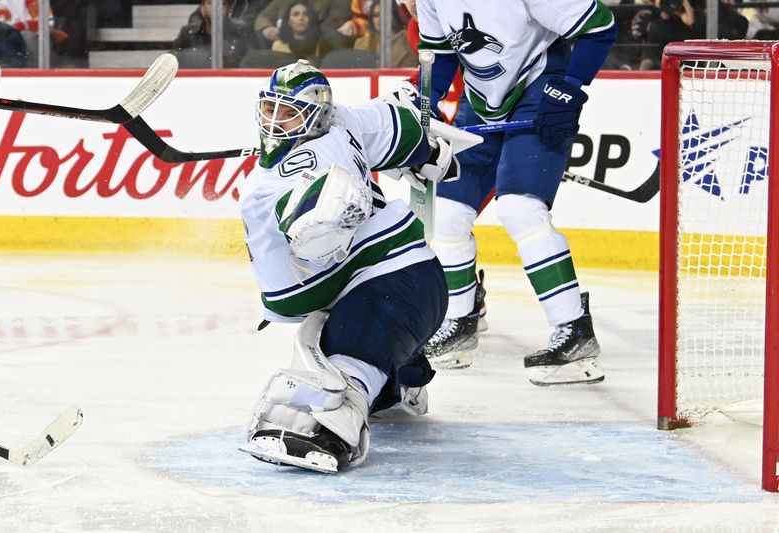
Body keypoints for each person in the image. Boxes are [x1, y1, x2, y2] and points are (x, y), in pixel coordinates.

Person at [239, 60, 462, 472]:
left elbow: (290, 300)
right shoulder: (344, 122)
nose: (275, 121)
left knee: (343, 347)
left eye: (288, 112)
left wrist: (315, 217)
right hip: (414, 285)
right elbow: (401, 128)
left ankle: (331, 426)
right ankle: (400, 388)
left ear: (315, 114)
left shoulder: (268, 185)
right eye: (271, 109)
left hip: (395, 282)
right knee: (338, 325)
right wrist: (430, 153)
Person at [414, 0, 617, 385]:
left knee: (520, 209)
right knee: (447, 214)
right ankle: (460, 319)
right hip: (479, 103)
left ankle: (574, 330)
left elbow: (600, 27)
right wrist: (426, 98)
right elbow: (441, 54)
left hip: (539, 92)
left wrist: (571, 86)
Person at [172, 0, 249, 67]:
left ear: (228, 9)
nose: (216, 8)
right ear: (202, 9)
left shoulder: (240, 31)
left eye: (223, 4)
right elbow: (174, 59)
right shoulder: (188, 33)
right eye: (210, 3)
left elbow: (249, 60)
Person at [353, 0, 416, 68]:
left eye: (384, 14)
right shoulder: (361, 43)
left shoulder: (409, 39)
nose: (381, 19)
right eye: (376, 15)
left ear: (394, 15)